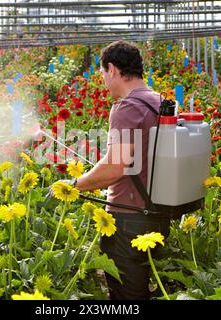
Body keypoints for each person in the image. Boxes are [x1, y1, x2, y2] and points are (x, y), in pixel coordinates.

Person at [57, 40, 171, 300]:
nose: (104, 81)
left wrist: (74, 185)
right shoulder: (159, 102)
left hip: (129, 220)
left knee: (126, 297)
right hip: (157, 214)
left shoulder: (127, 108)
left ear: (113, 70)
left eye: (103, 74)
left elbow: (115, 168)